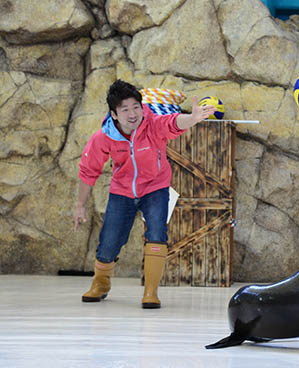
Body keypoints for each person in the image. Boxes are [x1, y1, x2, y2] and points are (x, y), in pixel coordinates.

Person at [73, 79, 215, 309]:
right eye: (125, 109)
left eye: (136, 107)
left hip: (155, 187)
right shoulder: (104, 136)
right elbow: (88, 170)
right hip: (122, 191)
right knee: (109, 242)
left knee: (157, 234)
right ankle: (101, 283)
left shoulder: (152, 124)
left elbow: (172, 123)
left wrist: (192, 119)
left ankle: (151, 291)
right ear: (114, 114)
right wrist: (80, 204)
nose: (132, 114)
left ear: (142, 107)